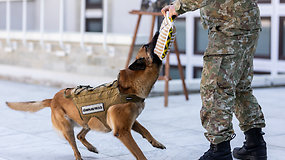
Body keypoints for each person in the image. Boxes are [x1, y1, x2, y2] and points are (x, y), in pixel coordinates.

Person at [161, 0, 267, 160]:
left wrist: (177, 7)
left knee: (215, 89)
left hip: (229, 28)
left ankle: (219, 151)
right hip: (245, 22)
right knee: (239, 87)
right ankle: (255, 144)